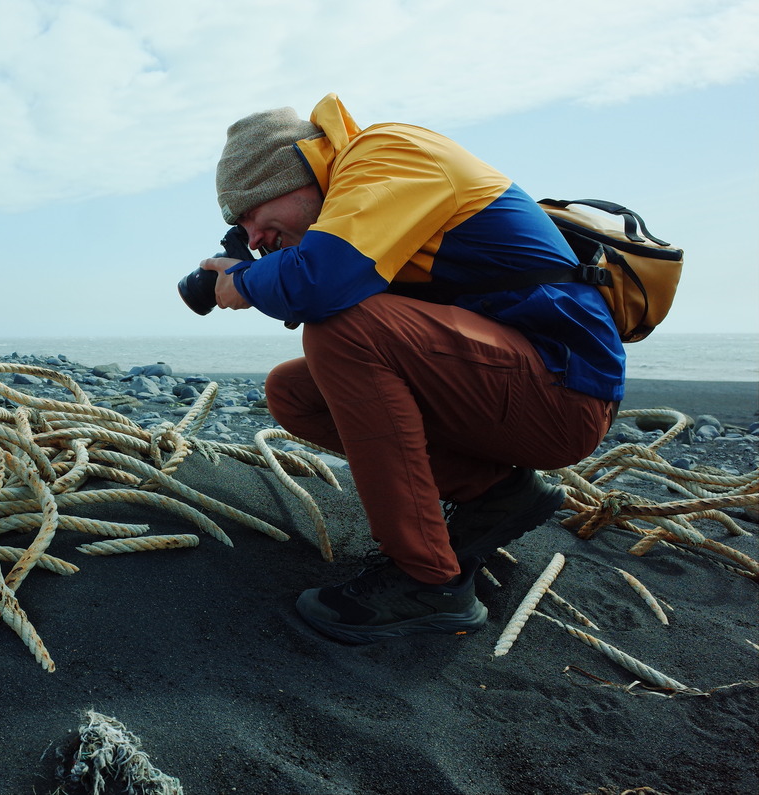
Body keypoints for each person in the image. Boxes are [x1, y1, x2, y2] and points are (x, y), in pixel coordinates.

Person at [198, 93, 624, 645]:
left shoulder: (389, 154)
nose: (254, 239)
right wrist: (263, 274)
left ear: (292, 175)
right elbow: (330, 289)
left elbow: (319, 285)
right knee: (295, 391)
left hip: (565, 391)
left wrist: (246, 281)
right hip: (514, 384)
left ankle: (428, 582)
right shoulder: (363, 203)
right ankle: (497, 492)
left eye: (252, 215)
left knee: (342, 330)